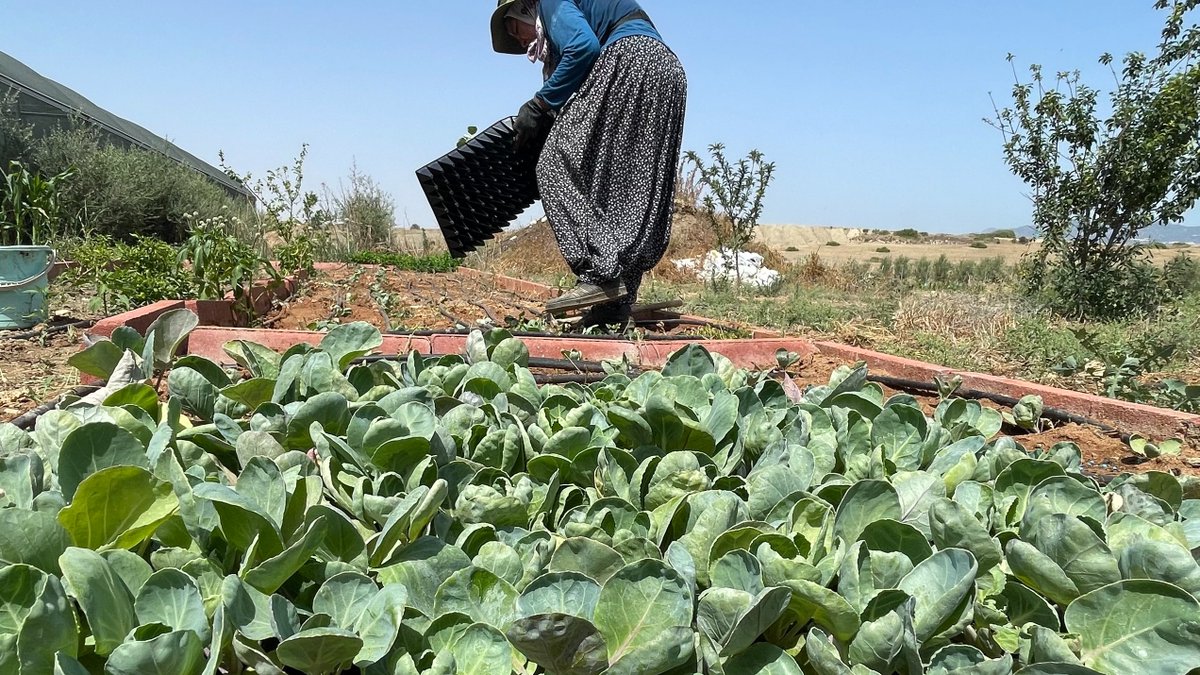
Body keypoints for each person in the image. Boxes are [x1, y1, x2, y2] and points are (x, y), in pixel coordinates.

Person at [489, 0, 687, 328]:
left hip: (628, 58)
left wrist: (539, 106)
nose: (521, 41)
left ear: (526, 8)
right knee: (625, 188)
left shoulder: (549, 2)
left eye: (515, 29)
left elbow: (582, 47)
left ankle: (599, 272)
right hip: (665, 69)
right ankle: (616, 306)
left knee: (554, 163)